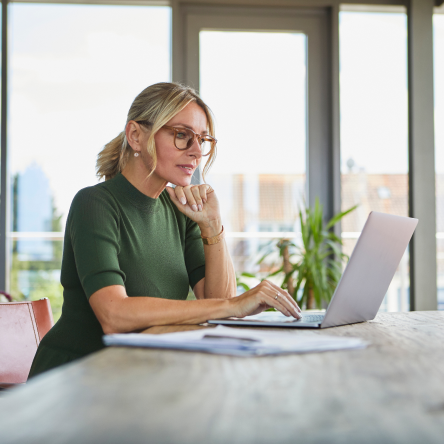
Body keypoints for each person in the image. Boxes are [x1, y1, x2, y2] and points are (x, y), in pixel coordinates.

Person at [28, 82, 301, 377]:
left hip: (144, 373)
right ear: (136, 136)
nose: (197, 151)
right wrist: (235, 305)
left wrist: (211, 226)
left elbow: (215, 303)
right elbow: (114, 315)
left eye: (203, 139)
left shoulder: (179, 210)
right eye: (182, 136)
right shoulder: (95, 204)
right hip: (76, 378)